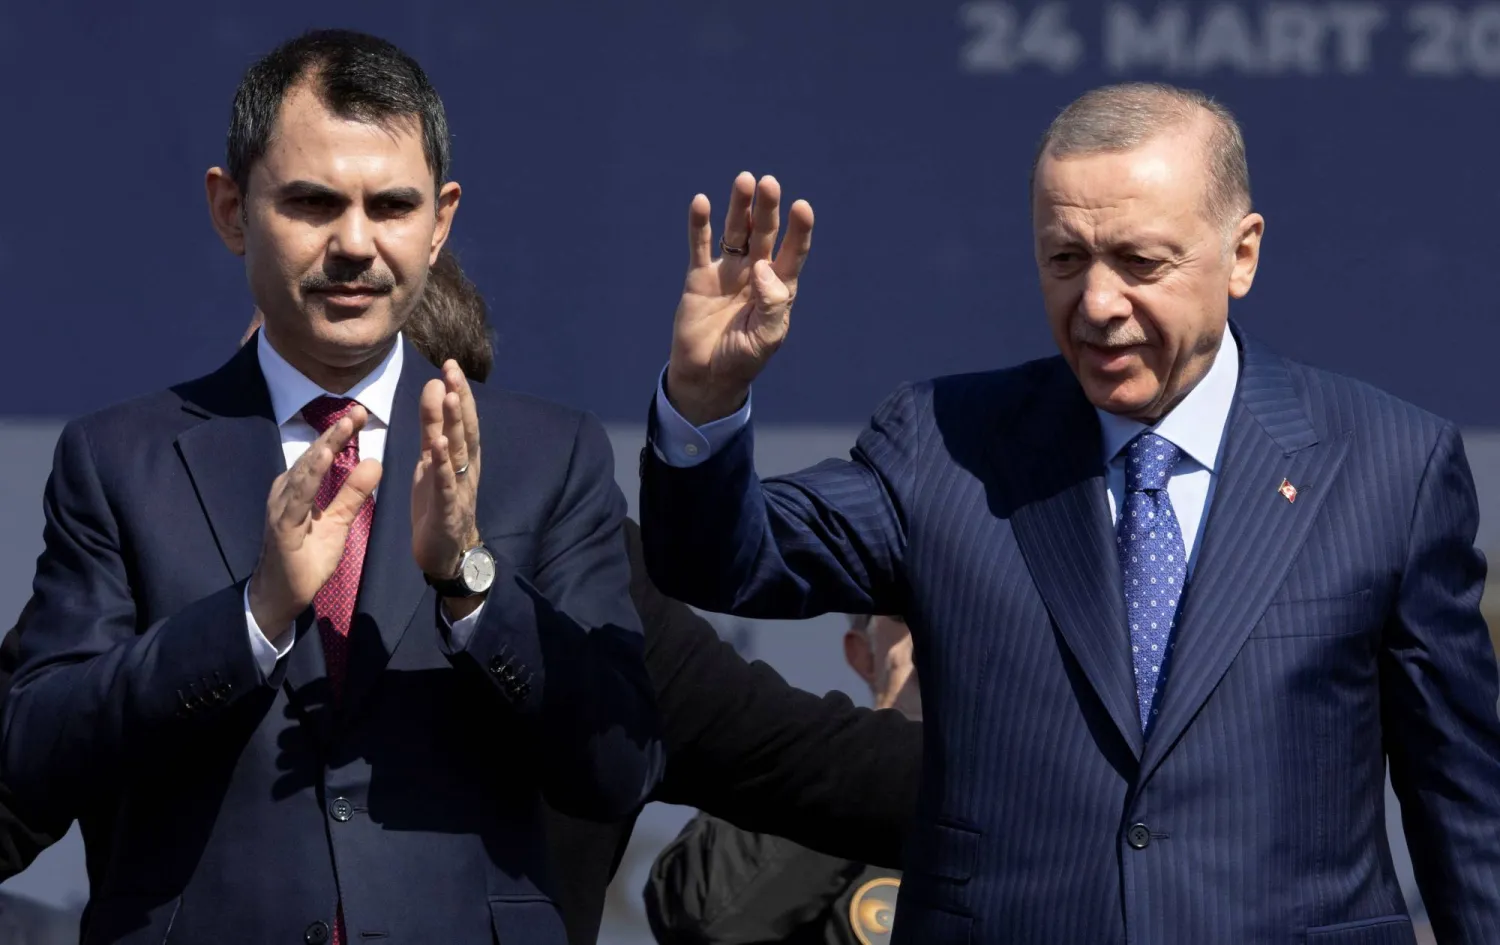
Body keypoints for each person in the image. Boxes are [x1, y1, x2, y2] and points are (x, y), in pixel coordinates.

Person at [638, 81, 1500, 943]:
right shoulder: (946, 443)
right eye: (1065, 259)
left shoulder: (1388, 466)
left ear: (1242, 254)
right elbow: (727, 559)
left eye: (1140, 262)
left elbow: (1464, 806)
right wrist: (706, 402)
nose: (1096, 304)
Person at [0, 247, 924, 945]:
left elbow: (819, 766)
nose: (250, 423)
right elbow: (23, 771)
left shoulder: (587, 574)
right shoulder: (151, 505)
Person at [1, 30, 661, 944]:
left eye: (392, 205)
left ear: (441, 220)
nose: (356, 243)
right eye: (313, 203)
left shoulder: (549, 457)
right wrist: (253, 616)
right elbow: (32, 753)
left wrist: (469, 580)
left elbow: (619, 764)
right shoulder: (119, 460)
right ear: (231, 209)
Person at [644, 614, 915, 945]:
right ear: (864, 654)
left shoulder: (997, 809)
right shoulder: (806, 762)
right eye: (907, 617)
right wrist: (894, 733)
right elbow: (705, 915)